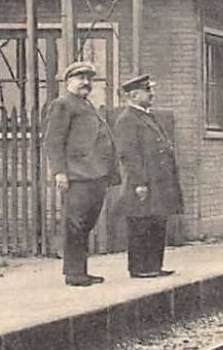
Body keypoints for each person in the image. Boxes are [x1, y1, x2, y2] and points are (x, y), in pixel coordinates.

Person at [41, 61, 119, 286]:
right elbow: (53, 141)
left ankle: (80, 270)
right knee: (76, 223)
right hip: (77, 174)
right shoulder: (63, 104)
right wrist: (59, 172)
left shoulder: (85, 104)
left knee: (86, 223)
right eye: (80, 78)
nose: (85, 82)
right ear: (68, 82)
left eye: (89, 79)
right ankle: (74, 273)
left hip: (94, 174)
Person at [112, 74, 183, 279]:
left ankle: (154, 265)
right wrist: (139, 182)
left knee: (156, 222)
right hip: (143, 182)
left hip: (157, 182)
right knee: (140, 224)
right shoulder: (127, 119)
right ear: (134, 95)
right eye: (148, 91)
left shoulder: (147, 116)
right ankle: (139, 268)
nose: (152, 94)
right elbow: (128, 154)